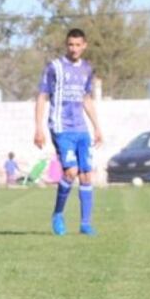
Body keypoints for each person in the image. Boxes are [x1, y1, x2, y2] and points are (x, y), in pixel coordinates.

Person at [34, 28, 103, 236]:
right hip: (61, 126)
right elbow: (42, 97)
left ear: (84, 45)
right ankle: (57, 214)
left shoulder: (87, 70)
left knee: (86, 175)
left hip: (81, 128)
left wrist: (97, 127)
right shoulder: (54, 67)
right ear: (67, 45)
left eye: (77, 45)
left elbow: (87, 99)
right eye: (70, 45)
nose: (73, 48)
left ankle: (85, 224)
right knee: (70, 172)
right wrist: (38, 128)